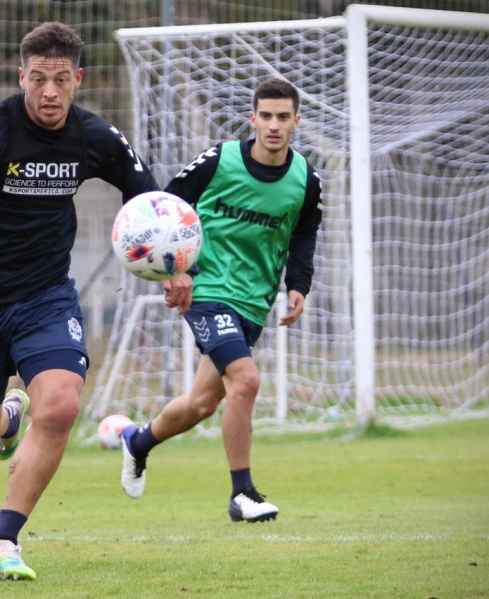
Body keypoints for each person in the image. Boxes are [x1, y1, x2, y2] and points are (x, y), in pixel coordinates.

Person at [0, 22, 171, 581]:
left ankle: (2, 540)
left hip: (46, 294)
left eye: (60, 79)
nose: (48, 91)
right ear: (22, 77)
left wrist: (174, 266)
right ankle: (6, 418)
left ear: (77, 79)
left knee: (63, 404)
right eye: (37, 79)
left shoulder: (93, 137)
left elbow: (151, 198)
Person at [119, 78, 323, 522]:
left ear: (296, 122)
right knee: (246, 381)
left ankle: (137, 442)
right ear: (252, 119)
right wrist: (179, 270)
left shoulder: (306, 178)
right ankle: (242, 494)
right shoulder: (220, 159)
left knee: (201, 404)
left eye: (283, 117)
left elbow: (305, 233)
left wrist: (298, 284)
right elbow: (167, 206)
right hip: (208, 291)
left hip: (254, 302)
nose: (273, 125)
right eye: (265, 116)